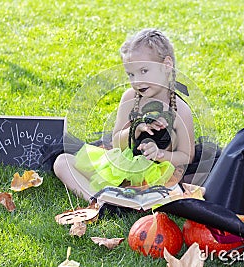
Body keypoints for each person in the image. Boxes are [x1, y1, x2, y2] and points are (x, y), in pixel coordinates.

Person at [53, 28, 195, 201]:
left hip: (153, 176)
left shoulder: (181, 110)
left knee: (172, 190)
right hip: (119, 167)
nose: (136, 81)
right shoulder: (130, 98)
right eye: (131, 74)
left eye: (144, 71)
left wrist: (159, 154)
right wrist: (134, 130)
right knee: (62, 162)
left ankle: (128, 199)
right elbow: (116, 142)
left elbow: (187, 156)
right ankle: (97, 200)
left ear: (166, 65)